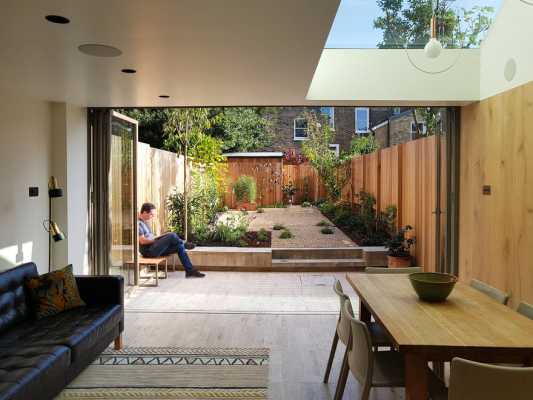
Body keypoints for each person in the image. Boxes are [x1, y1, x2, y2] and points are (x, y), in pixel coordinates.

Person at [138, 202, 205, 278]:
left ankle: (190, 270)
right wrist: (155, 240)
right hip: (149, 251)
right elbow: (142, 241)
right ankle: (184, 243)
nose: (152, 216)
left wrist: (159, 238)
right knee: (172, 235)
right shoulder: (138, 224)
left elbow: (150, 237)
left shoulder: (145, 223)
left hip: (154, 247)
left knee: (179, 246)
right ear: (144, 212)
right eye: (151, 214)